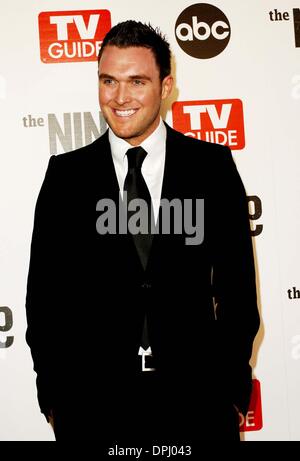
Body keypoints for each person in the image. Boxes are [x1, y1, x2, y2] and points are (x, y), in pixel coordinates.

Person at [25, 20, 260, 444]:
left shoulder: (212, 168)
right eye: (108, 81)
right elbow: (43, 301)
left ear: (166, 86)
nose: (120, 97)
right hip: (92, 411)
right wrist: (57, 400)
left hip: (198, 407)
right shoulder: (66, 178)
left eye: (137, 81)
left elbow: (238, 291)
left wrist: (229, 393)